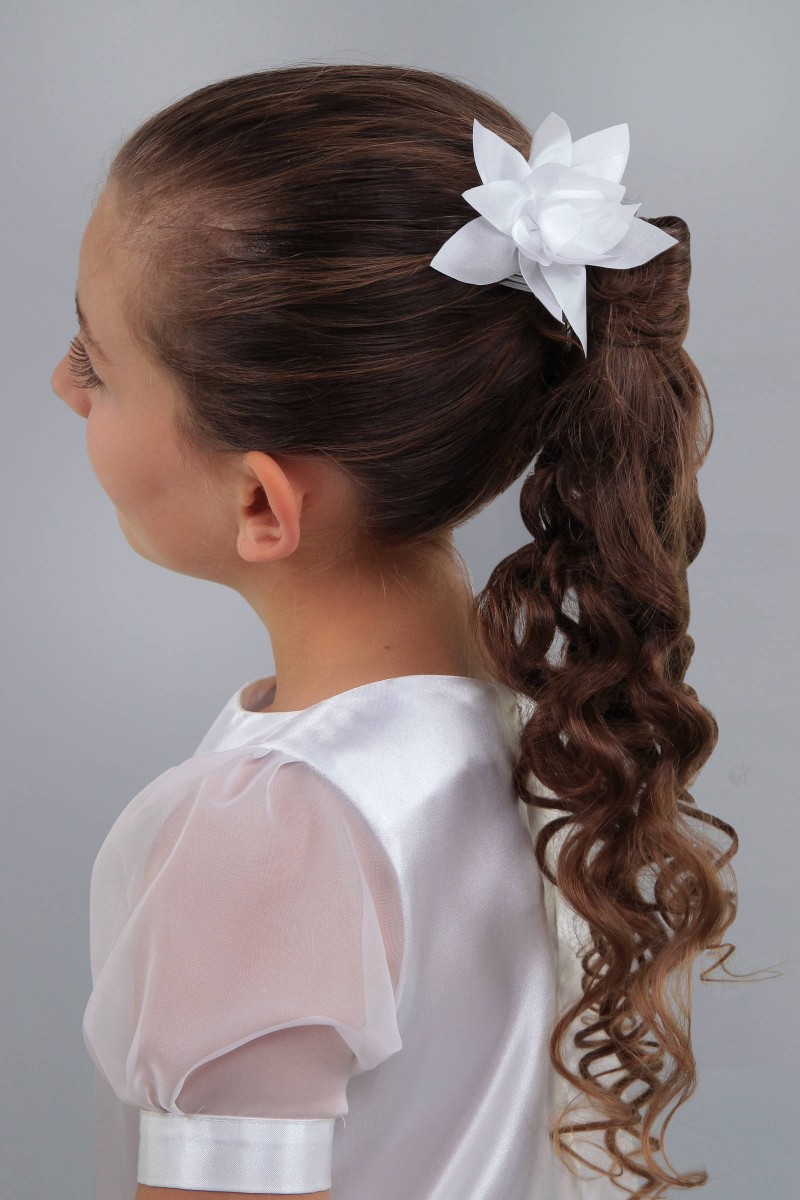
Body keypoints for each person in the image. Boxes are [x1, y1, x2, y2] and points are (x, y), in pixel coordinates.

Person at [51, 63, 740, 1200]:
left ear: (261, 503)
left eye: (96, 361)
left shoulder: (274, 830)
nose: (63, 386)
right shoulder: (546, 733)